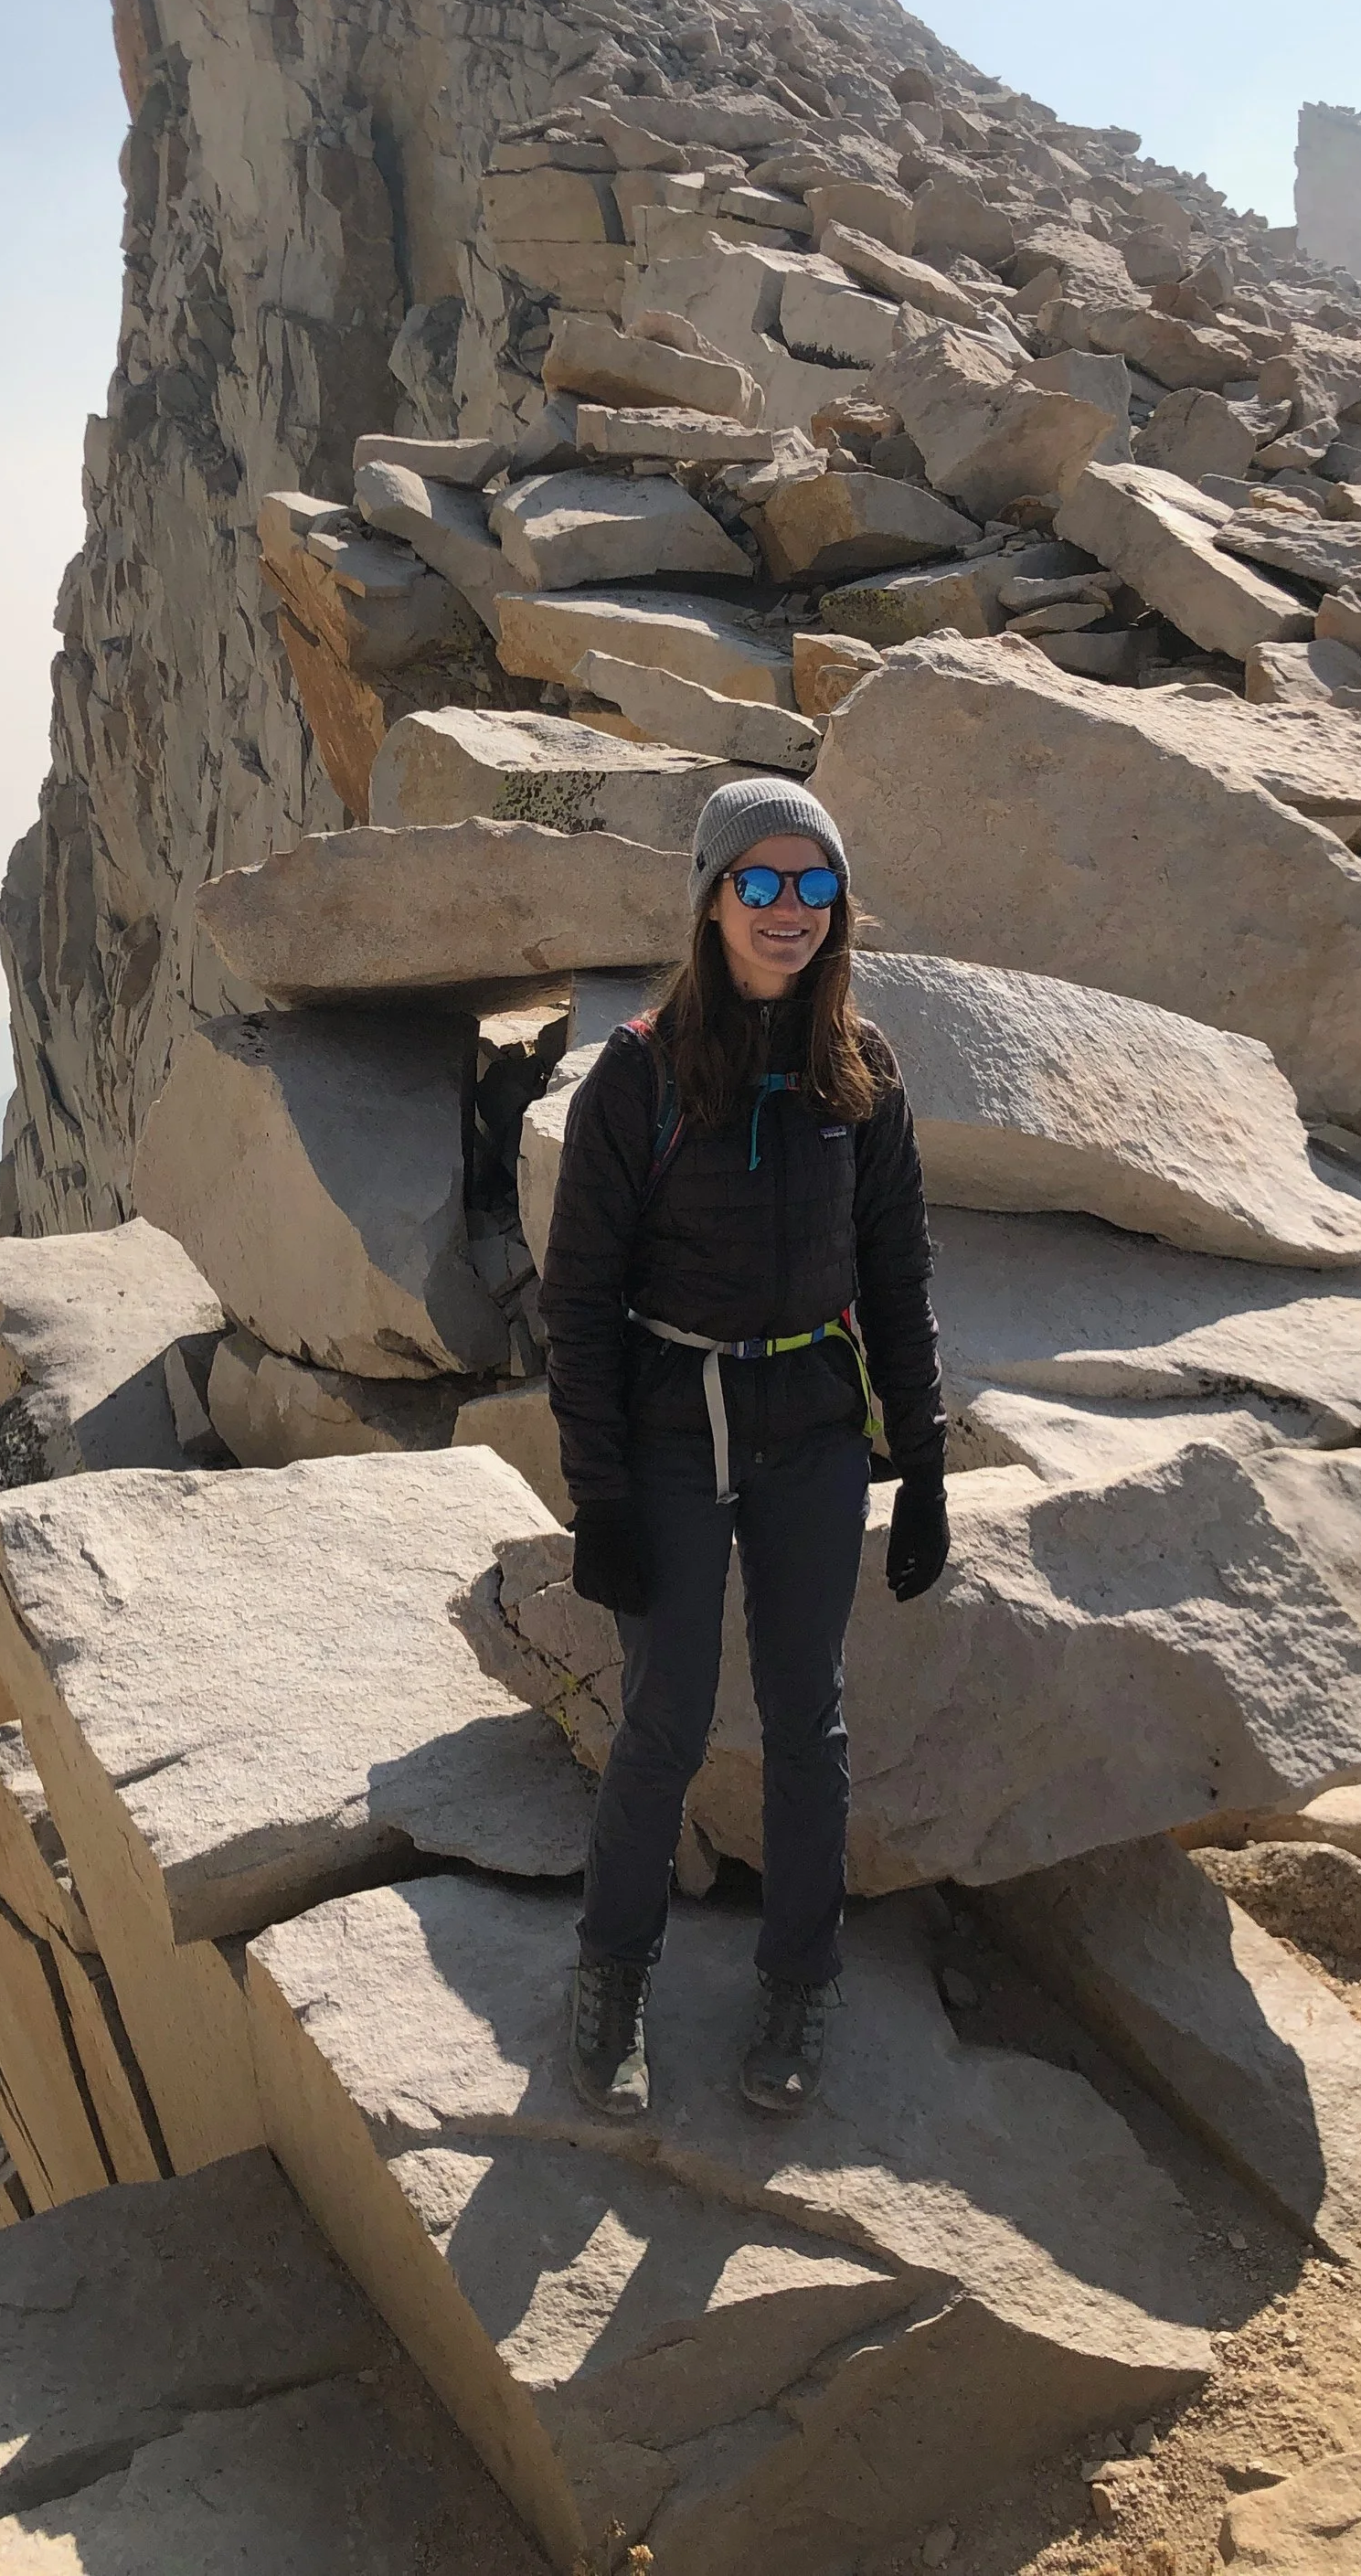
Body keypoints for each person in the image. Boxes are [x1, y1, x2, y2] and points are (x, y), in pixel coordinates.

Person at [538, 777, 949, 2121]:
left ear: (840, 907)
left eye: (813, 885)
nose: (787, 911)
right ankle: (612, 1976)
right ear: (710, 896)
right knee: (661, 1719)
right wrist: (596, 1494)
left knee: (805, 1720)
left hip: (814, 1433)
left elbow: (897, 1278)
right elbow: (581, 1301)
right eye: (759, 883)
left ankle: (798, 1983)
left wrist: (925, 1462)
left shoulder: (863, 1070)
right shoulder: (639, 1076)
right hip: (670, 1430)